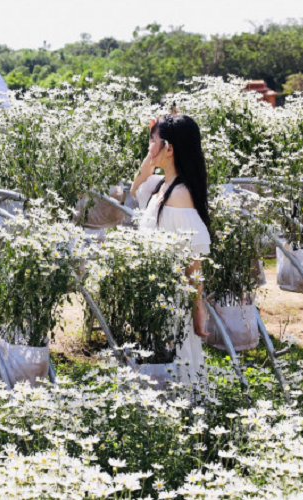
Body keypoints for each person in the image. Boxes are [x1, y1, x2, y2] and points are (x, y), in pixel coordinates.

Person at [130, 114, 211, 392]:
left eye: (152, 141)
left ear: (170, 148)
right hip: (154, 293)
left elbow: (193, 258)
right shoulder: (160, 187)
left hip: (172, 300)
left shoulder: (179, 195)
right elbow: (135, 187)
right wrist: (152, 152)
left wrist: (197, 308)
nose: (149, 146)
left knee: (172, 365)